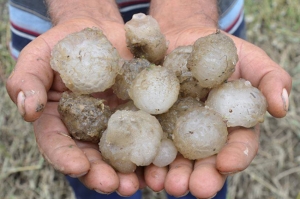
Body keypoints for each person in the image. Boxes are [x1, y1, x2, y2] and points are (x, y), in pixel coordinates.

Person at [6, 0, 292, 199]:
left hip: (204, 14)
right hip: (55, 13)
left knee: (200, 186)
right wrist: (79, 9)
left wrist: (189, 11)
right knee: (96, 177)